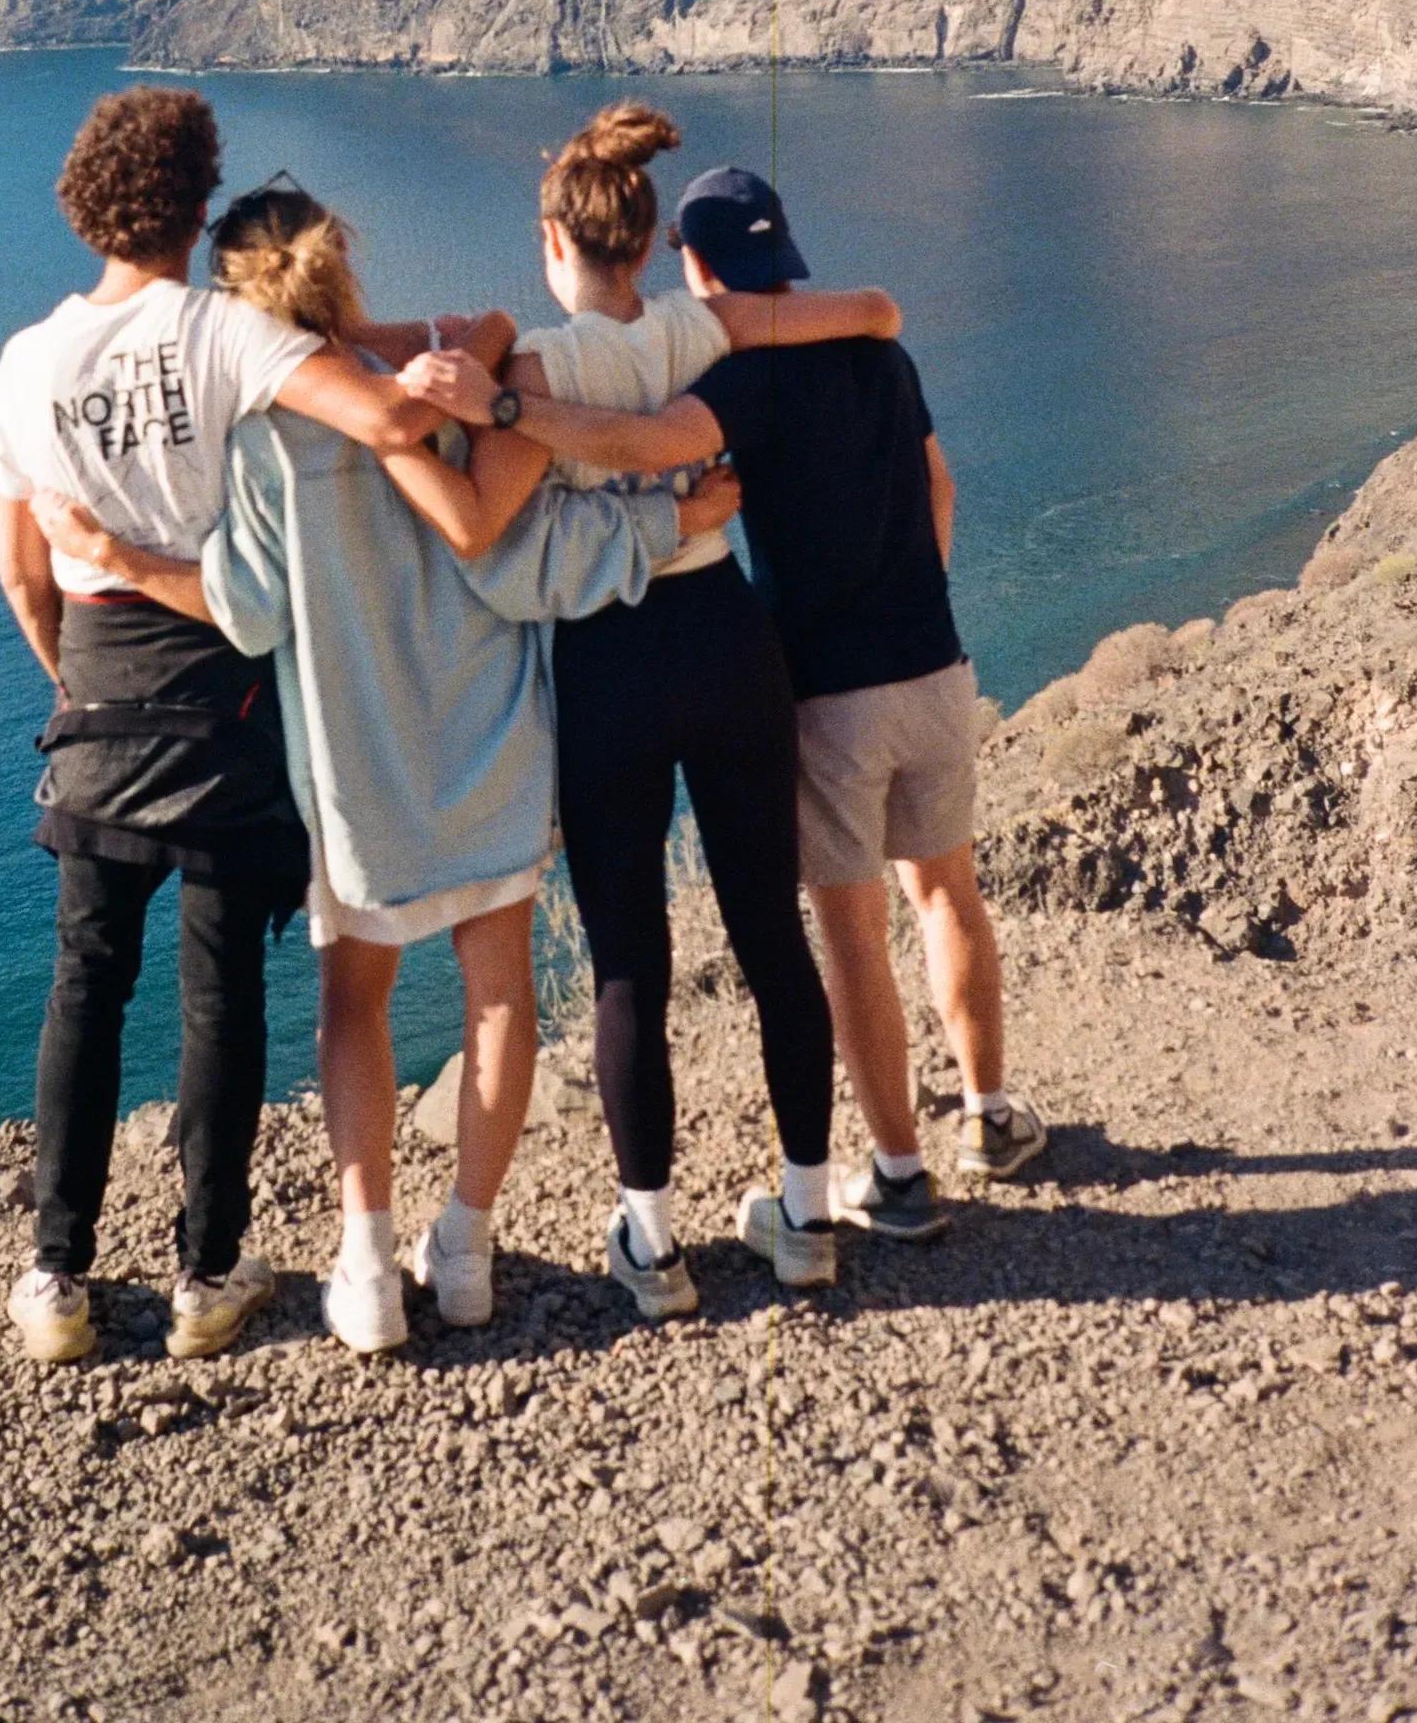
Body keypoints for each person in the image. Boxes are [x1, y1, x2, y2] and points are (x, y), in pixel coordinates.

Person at [36, 178, 744, 1353]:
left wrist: (110, 556)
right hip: (489, 732)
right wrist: (665, 526)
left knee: (352, 1002)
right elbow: (526, 553)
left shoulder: (266, 437)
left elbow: (245, 612)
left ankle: (365, 1273)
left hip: (356, 760)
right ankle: (463, 1249)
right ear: (343, 263)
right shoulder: (453, 397)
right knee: (499, 988)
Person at [421, 160, 1047, 1242]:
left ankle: (701, 1224)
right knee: (866, 916)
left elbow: (572, 480)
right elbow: (923, 444)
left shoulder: (653, 371)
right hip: (854, 657)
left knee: (664, 956)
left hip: (688, 670)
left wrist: (496, 402)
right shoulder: (809, 346)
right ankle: (913, 1156)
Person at [403, 104, 904, 1318]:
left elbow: (480, 534)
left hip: (613, 665)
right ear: (644, 238)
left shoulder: (535, 375)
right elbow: (876, 311)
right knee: (771, 936)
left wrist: (420, 413)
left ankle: (654, 1245)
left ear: (553, 241)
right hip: (732, 644)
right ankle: (803, 1215)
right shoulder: (710, 327)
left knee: (631, 963)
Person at [0, 89, 459, 1366]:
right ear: (201, 209)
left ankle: (56, 1277)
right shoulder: (228, 334)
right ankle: (207, 1274)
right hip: (227, 687)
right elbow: (395, 421)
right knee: (223, 991)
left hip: (94, 692)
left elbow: (24, 573)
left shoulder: (28, 362)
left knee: (84, 982)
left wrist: (74, 685)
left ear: (89, 203)